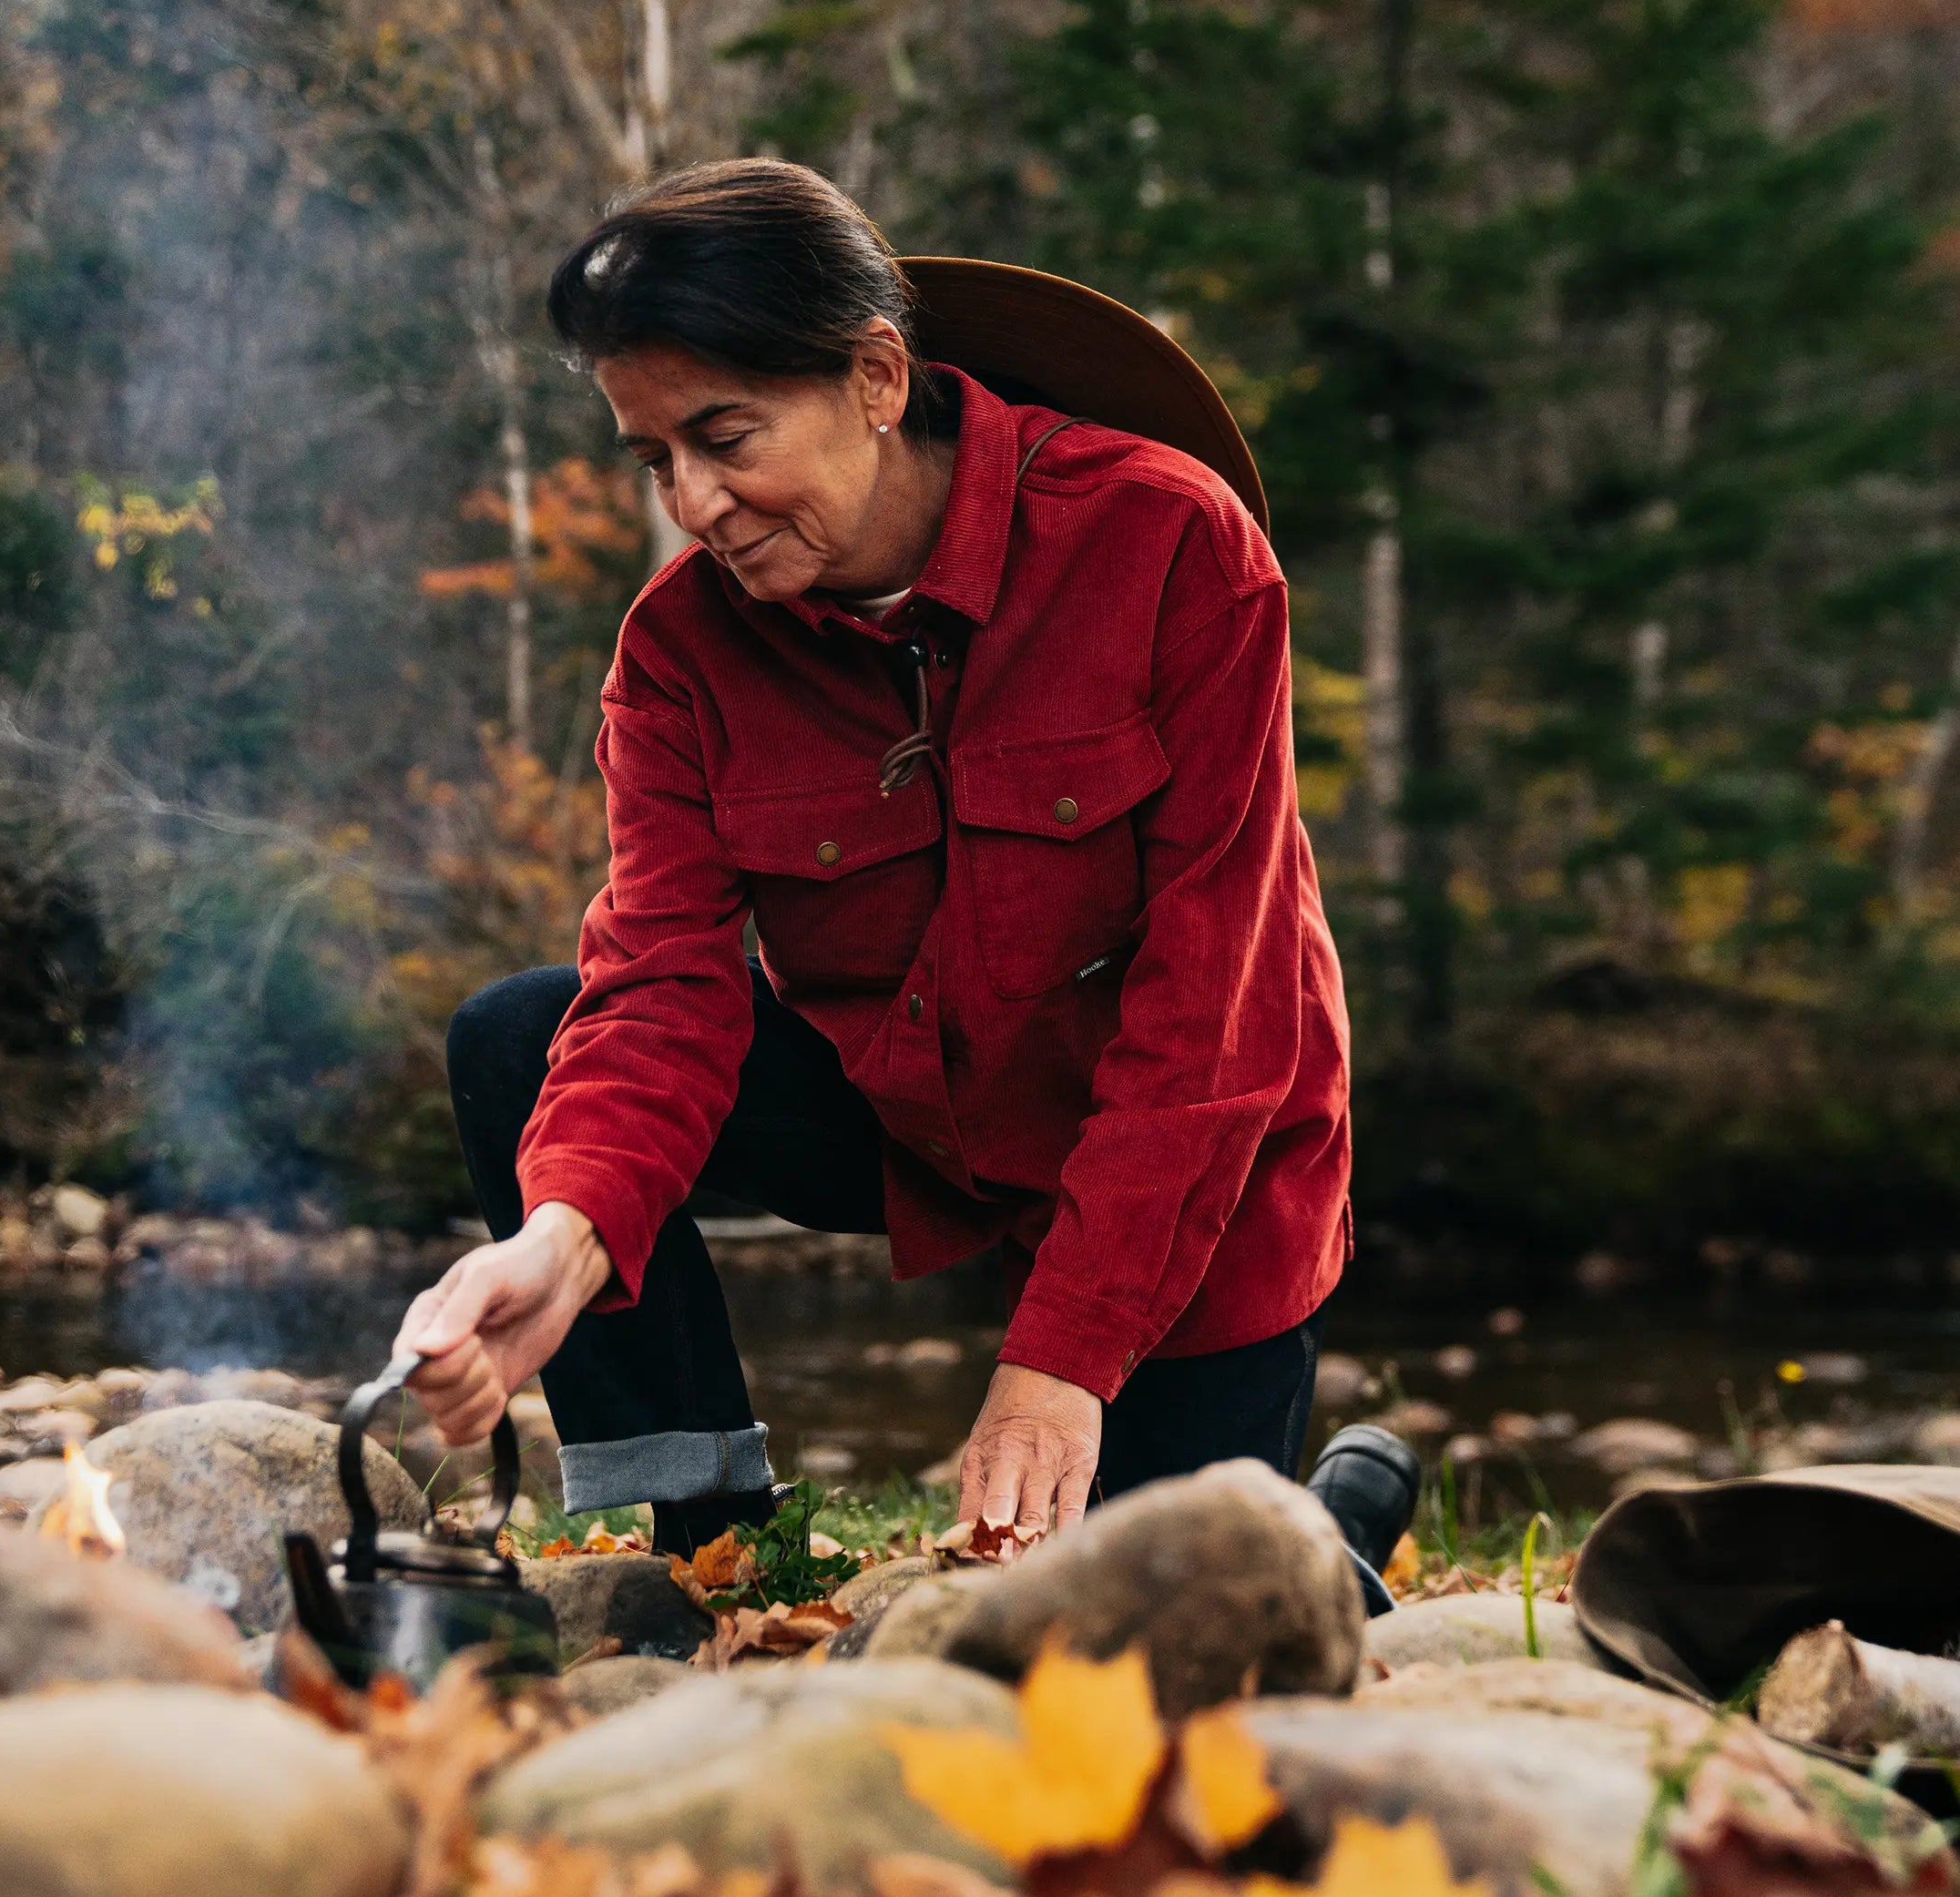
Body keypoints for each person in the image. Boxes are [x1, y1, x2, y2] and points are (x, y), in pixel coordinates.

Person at [394, 158, 1415, 1585]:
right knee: (522, 1033)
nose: (693, 502)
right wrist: (562, 1246)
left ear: (876, 376)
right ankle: (706, 1548)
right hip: (913, 1113)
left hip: (1196, 1158)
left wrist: (1056, 1360)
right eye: (652, 459)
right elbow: (661, 993)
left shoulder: (1174, 542)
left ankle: (1343, 1516)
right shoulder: (678, 655)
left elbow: (1220, 1010)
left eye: (725, 436)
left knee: (1169, 1609)